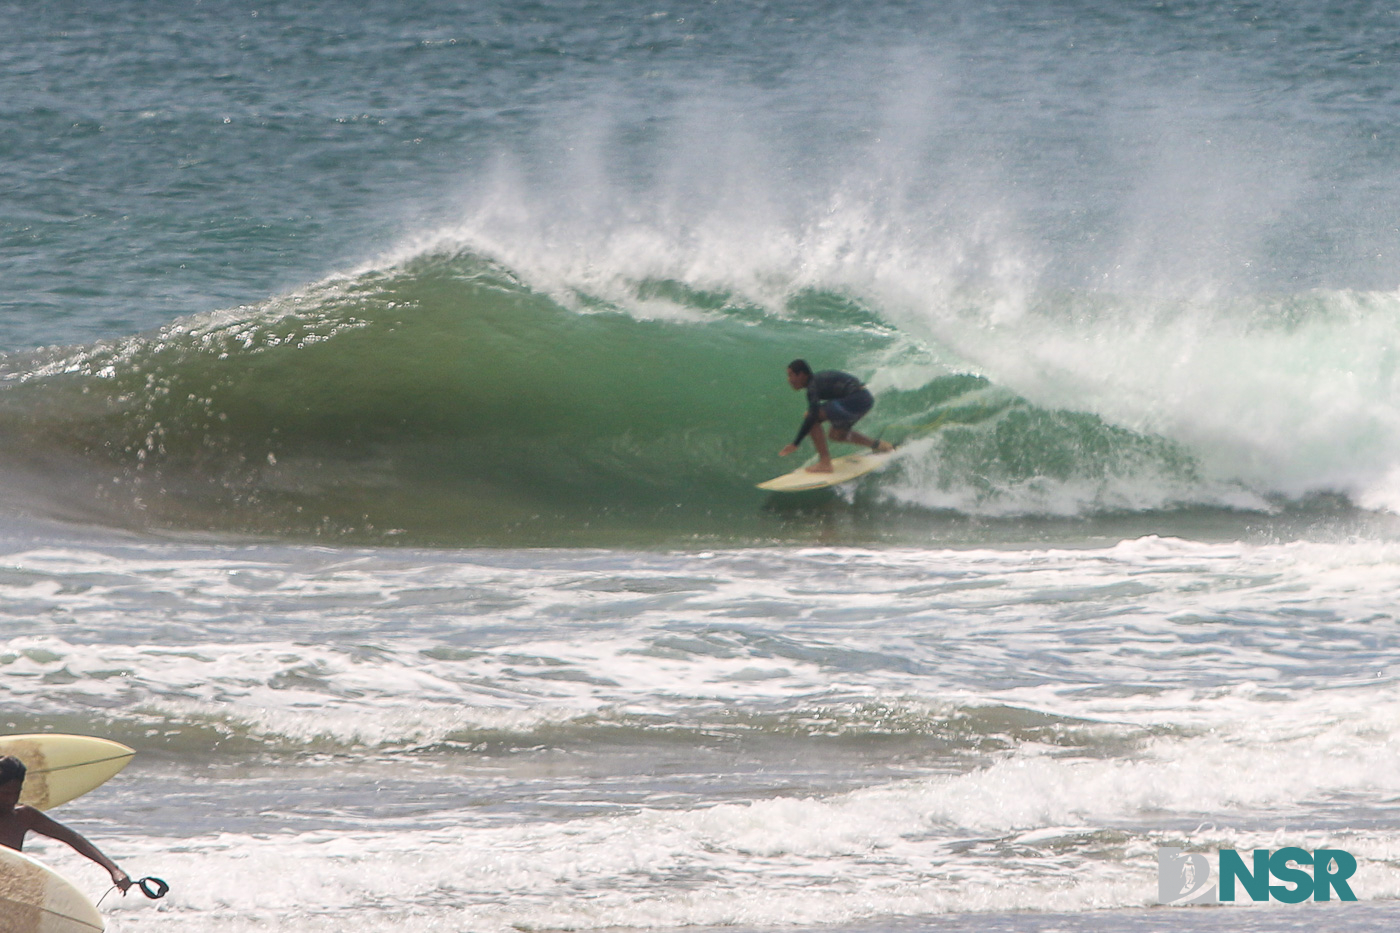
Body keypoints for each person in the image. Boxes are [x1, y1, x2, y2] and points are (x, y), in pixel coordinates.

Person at [0, 755, 132, 892]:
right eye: (5, 793)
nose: (11, 799)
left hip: (9, 889)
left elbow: (72, 838)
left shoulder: (23, 817)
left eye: (16, 793)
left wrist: (114, 870)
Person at [779, 359, 894, 473]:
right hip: (865, 399)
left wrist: (795, 443)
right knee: (836, 435)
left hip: (856, 398)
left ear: (802, 375)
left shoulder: (813, 386)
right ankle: (879, 445)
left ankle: (825, 463)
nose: (789, 380)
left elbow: (812, 416)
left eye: (791, 375)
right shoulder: (817, 381)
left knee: (811, 417)